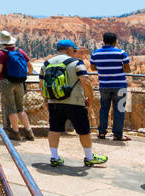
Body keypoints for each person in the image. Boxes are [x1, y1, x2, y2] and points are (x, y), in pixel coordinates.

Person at [39, 40, 108, 168]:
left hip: (54, 102)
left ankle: (54, 157)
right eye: (74, 50)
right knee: (83, 131)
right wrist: (89, 100)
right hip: (75, 102)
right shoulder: (76, 63)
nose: (75, 52)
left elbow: (41, 85)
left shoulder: (46, 64)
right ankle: (89, 158)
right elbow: (85, 81)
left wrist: (45, 100)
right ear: (70, 49)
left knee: (54, 129)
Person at [0, 31, 36, 141]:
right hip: (20, 82)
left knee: (11, 109)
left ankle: (15, 133)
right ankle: (29, 132)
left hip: (6, 83)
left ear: (2, 42)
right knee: (21, 108)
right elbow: (30, 66)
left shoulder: (1, 53)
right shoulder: (20, 51)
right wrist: (26, 75)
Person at [89, 32, 131, 142]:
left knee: (104, 109)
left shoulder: (95, 53)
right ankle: (118, 134)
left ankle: (102, 132)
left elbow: (93, 68)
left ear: (103, 41)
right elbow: (127, 69)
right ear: (115, 41)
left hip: (104, 85)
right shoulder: (121, 53)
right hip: (120, 85)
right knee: (119, 110)